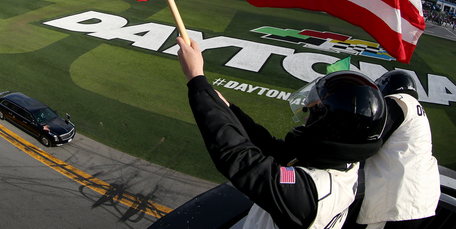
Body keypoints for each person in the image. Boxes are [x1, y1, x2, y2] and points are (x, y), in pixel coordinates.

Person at [176, 36, 387, 229]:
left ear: (330, 128)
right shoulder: (342, 161)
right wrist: (226, 107)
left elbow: (240, 158)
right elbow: (269, 146)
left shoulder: (312, 195)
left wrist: (195, 78)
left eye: (313, 112)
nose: (306, 117)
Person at [355, 70, 440, 229]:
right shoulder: (416, 107)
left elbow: (370, 137)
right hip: (421, 198)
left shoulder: (397, 101)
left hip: (399, 200)